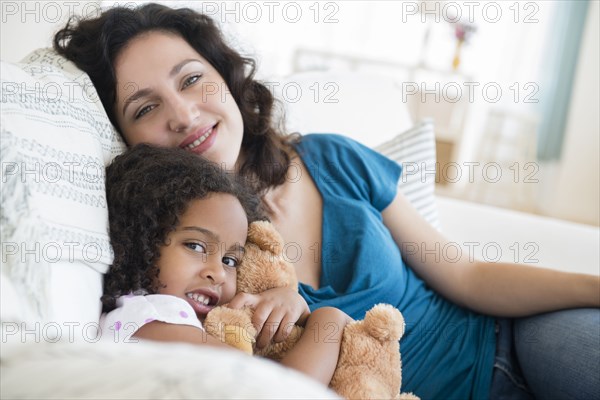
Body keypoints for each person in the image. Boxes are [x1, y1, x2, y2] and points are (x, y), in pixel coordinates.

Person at [55, 3, 600, 399]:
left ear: (227, 77)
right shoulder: (174, 259)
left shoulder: (331, 157)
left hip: (516, 342)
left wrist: (593, 286)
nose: (183, 113)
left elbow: (471, 275)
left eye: (193, 79)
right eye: (145, 108)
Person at [101, 143, 351, 386]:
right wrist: (328, 321)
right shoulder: (150, 318)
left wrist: (288, 302)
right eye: (195, 246)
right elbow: (281, 390)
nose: (219, 273)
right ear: (141, 240)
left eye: (230, 260)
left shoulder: (186, 320)